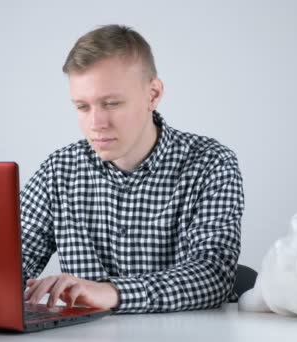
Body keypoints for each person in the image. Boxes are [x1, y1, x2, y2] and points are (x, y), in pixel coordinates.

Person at [20, 24, 244, 314]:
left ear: (153, 94)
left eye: (111, 103)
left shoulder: (211, 164)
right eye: (82, 107)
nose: (96, 123)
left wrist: (112, 292)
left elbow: (213, 276)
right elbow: (9, 264)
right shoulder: (58, 171)